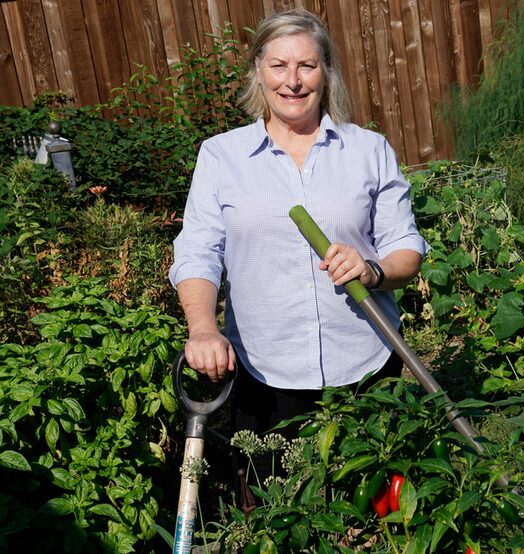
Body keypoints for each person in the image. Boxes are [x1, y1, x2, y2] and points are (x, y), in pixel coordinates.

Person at [168, 9, 427, 479]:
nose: (293, 80)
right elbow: (198, 252)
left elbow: (406, 247)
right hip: (267, 372)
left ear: (326, 74)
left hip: (366, 361)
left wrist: (372, 269)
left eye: (307, 65)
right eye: (278, 66)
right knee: (279, 512)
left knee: (374, 513)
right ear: (258, 74)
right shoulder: (222, 156)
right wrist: (203, 329)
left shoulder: (368, 150)